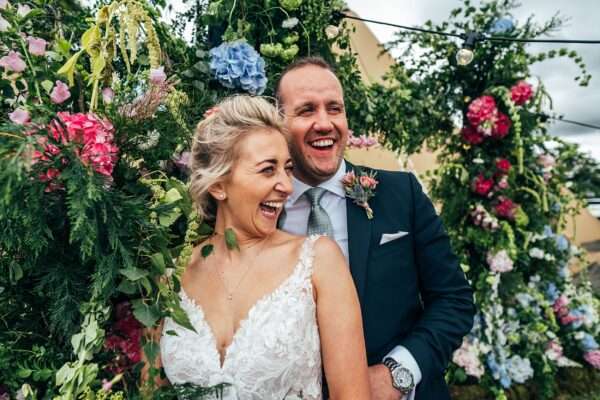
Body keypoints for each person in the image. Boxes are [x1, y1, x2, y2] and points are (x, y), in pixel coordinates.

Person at [276, 57, 476, 400]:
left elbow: (454, 300)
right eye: (307, 110)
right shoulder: (262, 208)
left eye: (334, 108)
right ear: (279, 124)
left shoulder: (402, 194)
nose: (324, 123)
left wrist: (397, 374)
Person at [157, 95, 371, 399]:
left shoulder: (318, 261)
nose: (286, 186)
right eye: (268, 170)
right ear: (218, 185)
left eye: (287, 168)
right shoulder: (172, 274)